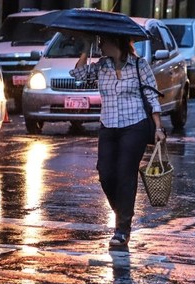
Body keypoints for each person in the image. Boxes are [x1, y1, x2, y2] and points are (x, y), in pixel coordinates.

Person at [69, 34, 166, 247]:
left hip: (135, 126)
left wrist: (158, 127)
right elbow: (78, 74)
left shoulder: (140, 65)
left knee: (125, 174)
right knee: (105, 173)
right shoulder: (102, 65)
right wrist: (86, 48)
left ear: (117, 41)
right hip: (109, 126)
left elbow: (152, 97)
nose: (101, 44)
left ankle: (122, 229)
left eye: (103, 41)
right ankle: (120, 209)